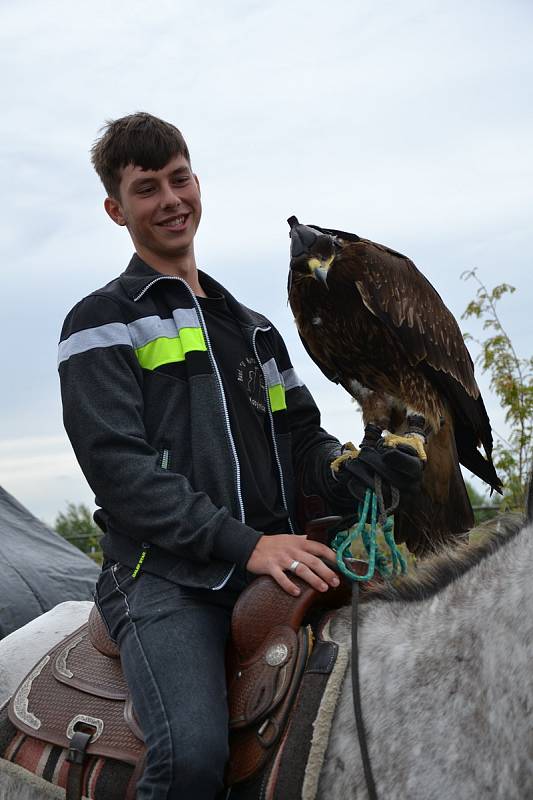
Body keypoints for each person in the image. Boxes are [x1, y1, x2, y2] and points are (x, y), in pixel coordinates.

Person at [58, 112, 421, 800]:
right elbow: (120, 472)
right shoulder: (99, 321)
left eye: (179, 178)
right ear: (116, 208)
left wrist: (355, 472)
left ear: (197, 180)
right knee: (192, 758)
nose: (170, 200)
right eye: (146, 189)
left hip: (274, 566)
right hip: (162, 580)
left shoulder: (254, 330)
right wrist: (246, 544)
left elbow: (303, 446)